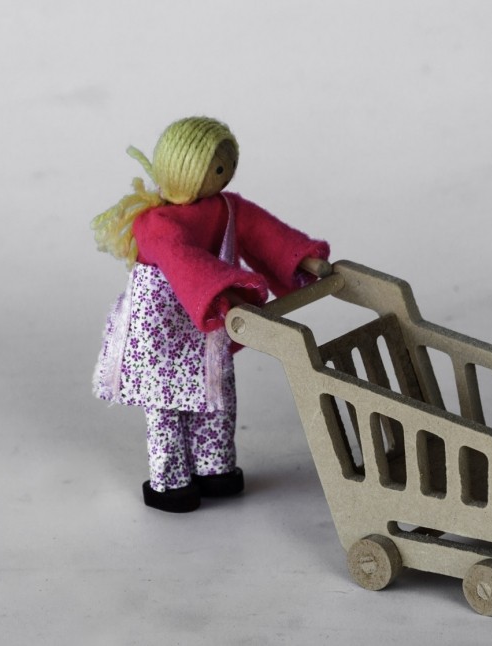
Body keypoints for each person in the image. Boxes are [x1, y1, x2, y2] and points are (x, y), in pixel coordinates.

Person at [91, 116, 330, 513]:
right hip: (162, 330)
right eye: (218, 168)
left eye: (229, 166)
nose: (227, 174)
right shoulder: (155, 222)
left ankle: (214, 467)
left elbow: (265, 233)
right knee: (166, 404)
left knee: (215, 388)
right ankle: (171, 482)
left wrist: (300, 258)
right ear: (186, 171)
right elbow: (182, 260)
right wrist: (223, 293)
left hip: (209, 320)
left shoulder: (227, 208)